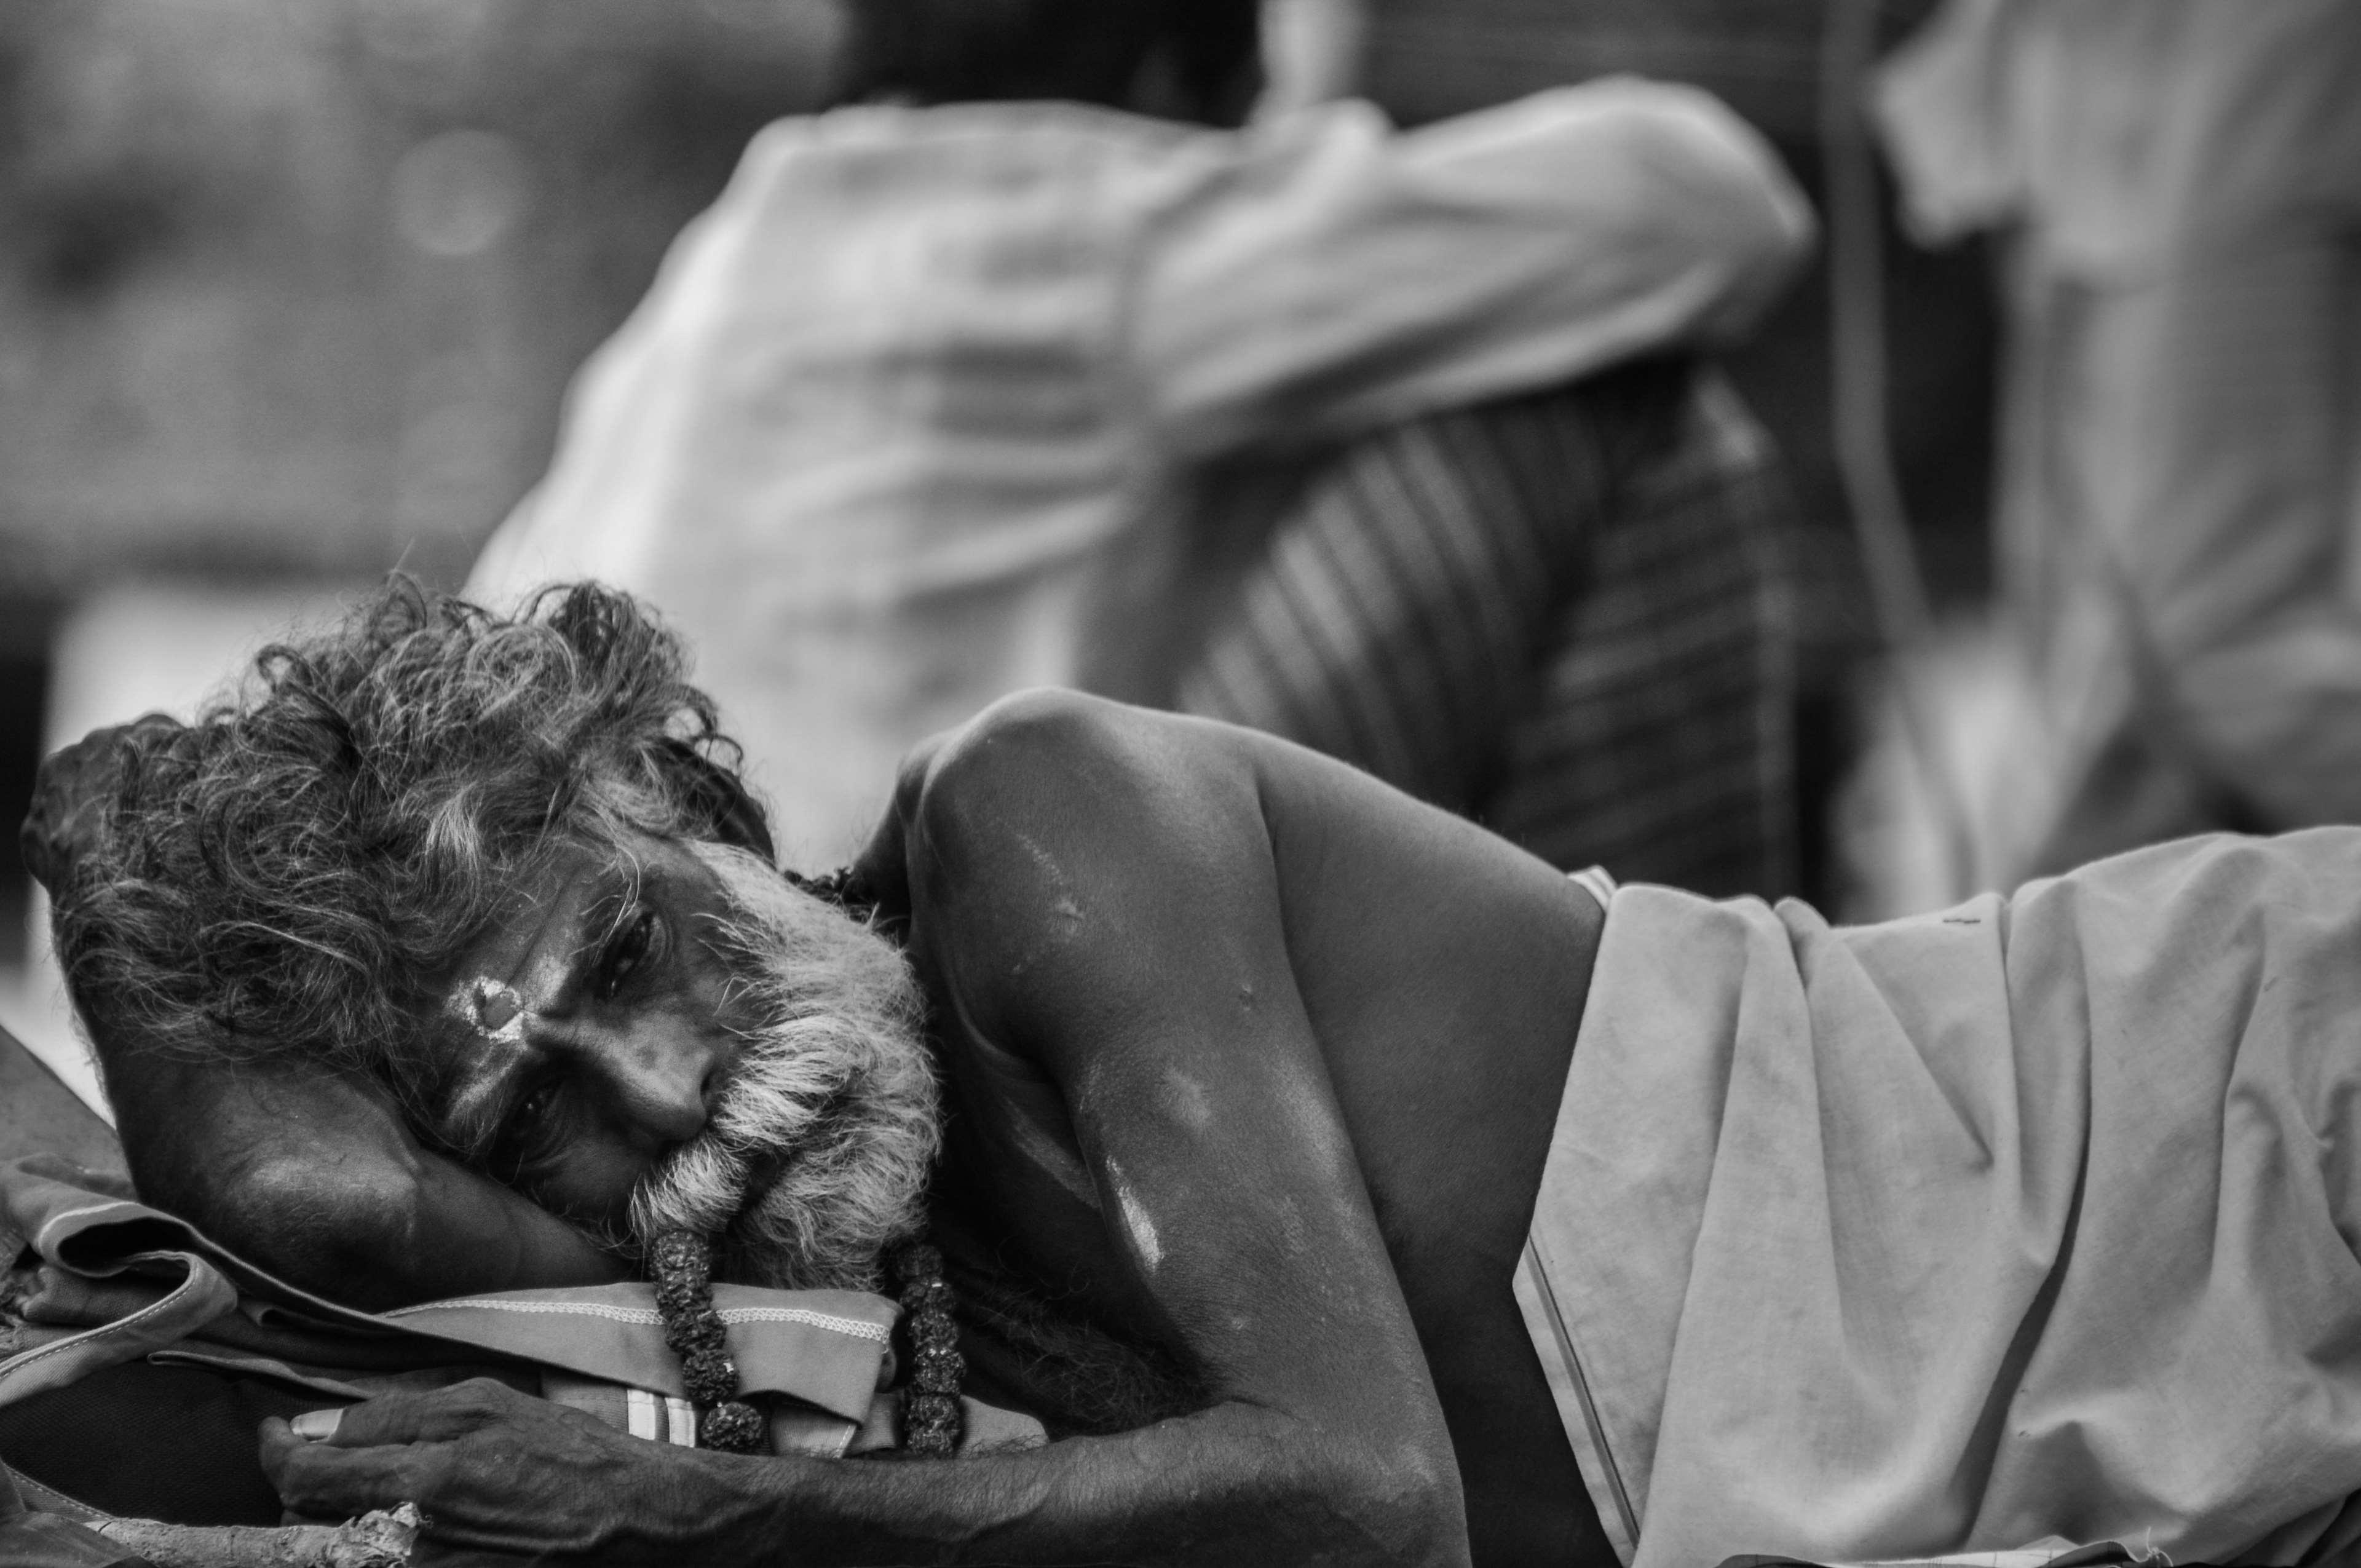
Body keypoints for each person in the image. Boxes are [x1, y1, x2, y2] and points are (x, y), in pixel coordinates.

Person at [35, 580, 2361, 1568]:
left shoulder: (1040, 834)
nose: (660, 1087)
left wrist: (706, 1521)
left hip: (2270, 1105)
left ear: (689, 798)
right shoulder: (794, 1277)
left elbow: (1373, 1506)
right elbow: (314, 1206)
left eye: (637, 947)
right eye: (536, 1107)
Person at [465, 0, 1813, 872]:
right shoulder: (1089, 228)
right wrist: (1318, 173)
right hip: (901, 1002)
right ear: (1174, 78)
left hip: (622, 969)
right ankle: (1648, 1052)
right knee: (1619, 401)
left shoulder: (725, 267)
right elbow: (1712, 203)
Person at [1864, 0, 2361, 889]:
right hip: (2076, 130)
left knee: (2230, 659)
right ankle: (2040, 997)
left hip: (2232, 116)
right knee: (2102, 700)